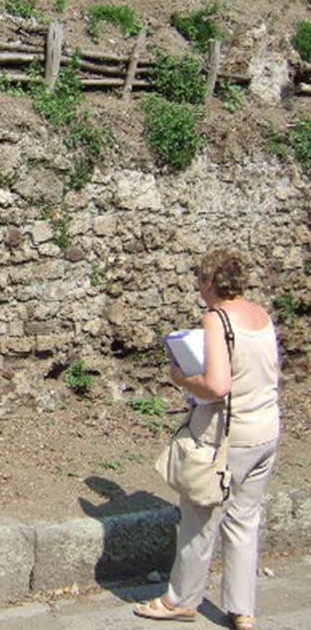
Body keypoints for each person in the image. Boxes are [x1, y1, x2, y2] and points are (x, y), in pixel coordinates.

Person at [134, 249, 282, 630]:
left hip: (227, 437)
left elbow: (217, 386)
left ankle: (180, 600)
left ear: (209, 282)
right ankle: (242, 610)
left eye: (200, 280)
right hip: (265, 431)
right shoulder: (260, 315)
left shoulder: (216, 320)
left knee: (199, 518)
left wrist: (181, 378)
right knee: (244, 521)